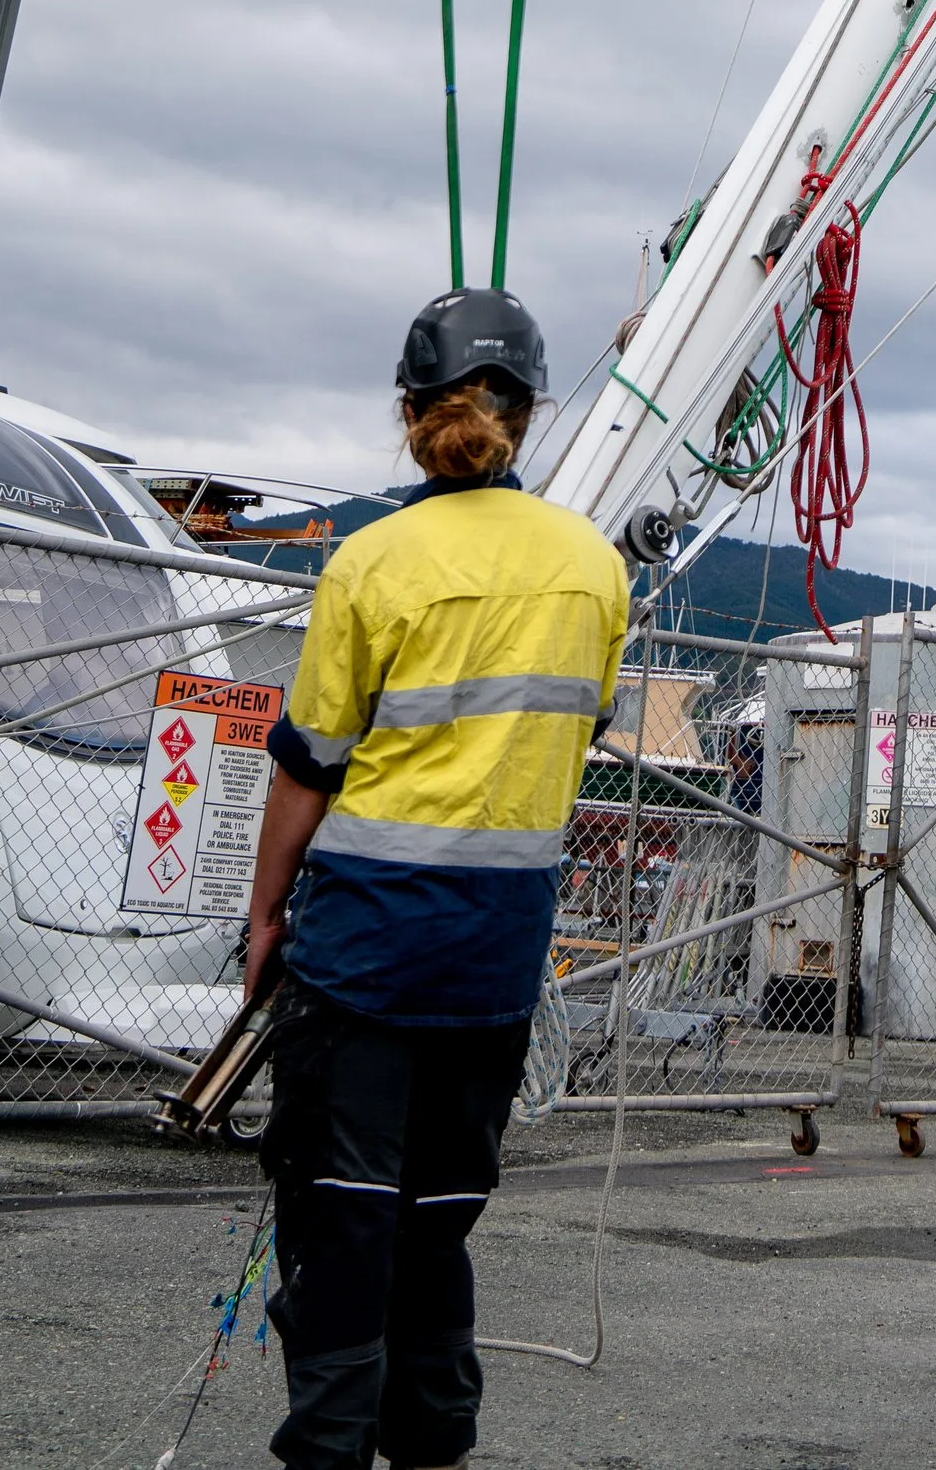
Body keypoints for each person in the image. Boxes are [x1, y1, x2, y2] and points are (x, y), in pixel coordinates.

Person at [246, 286, 631, 1470]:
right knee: (440, 1216)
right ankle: (435, 1444)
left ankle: (328, 1447)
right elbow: (581, 727)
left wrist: (266, 912)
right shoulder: (593, 566)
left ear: (410, 411)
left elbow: (309, 765)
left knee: (342, 1212)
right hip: (497, 955)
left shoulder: (372, 561)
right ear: (529, 412)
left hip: (365, 947)